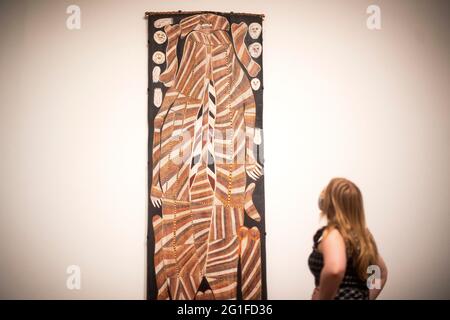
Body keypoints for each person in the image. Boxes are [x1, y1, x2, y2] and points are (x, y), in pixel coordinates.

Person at [308, 178, 388, 300]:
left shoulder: (333, 235)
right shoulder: (363, 237)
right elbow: (379, 273)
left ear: (330, 203)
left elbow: (335, 269)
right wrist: (365, 297)